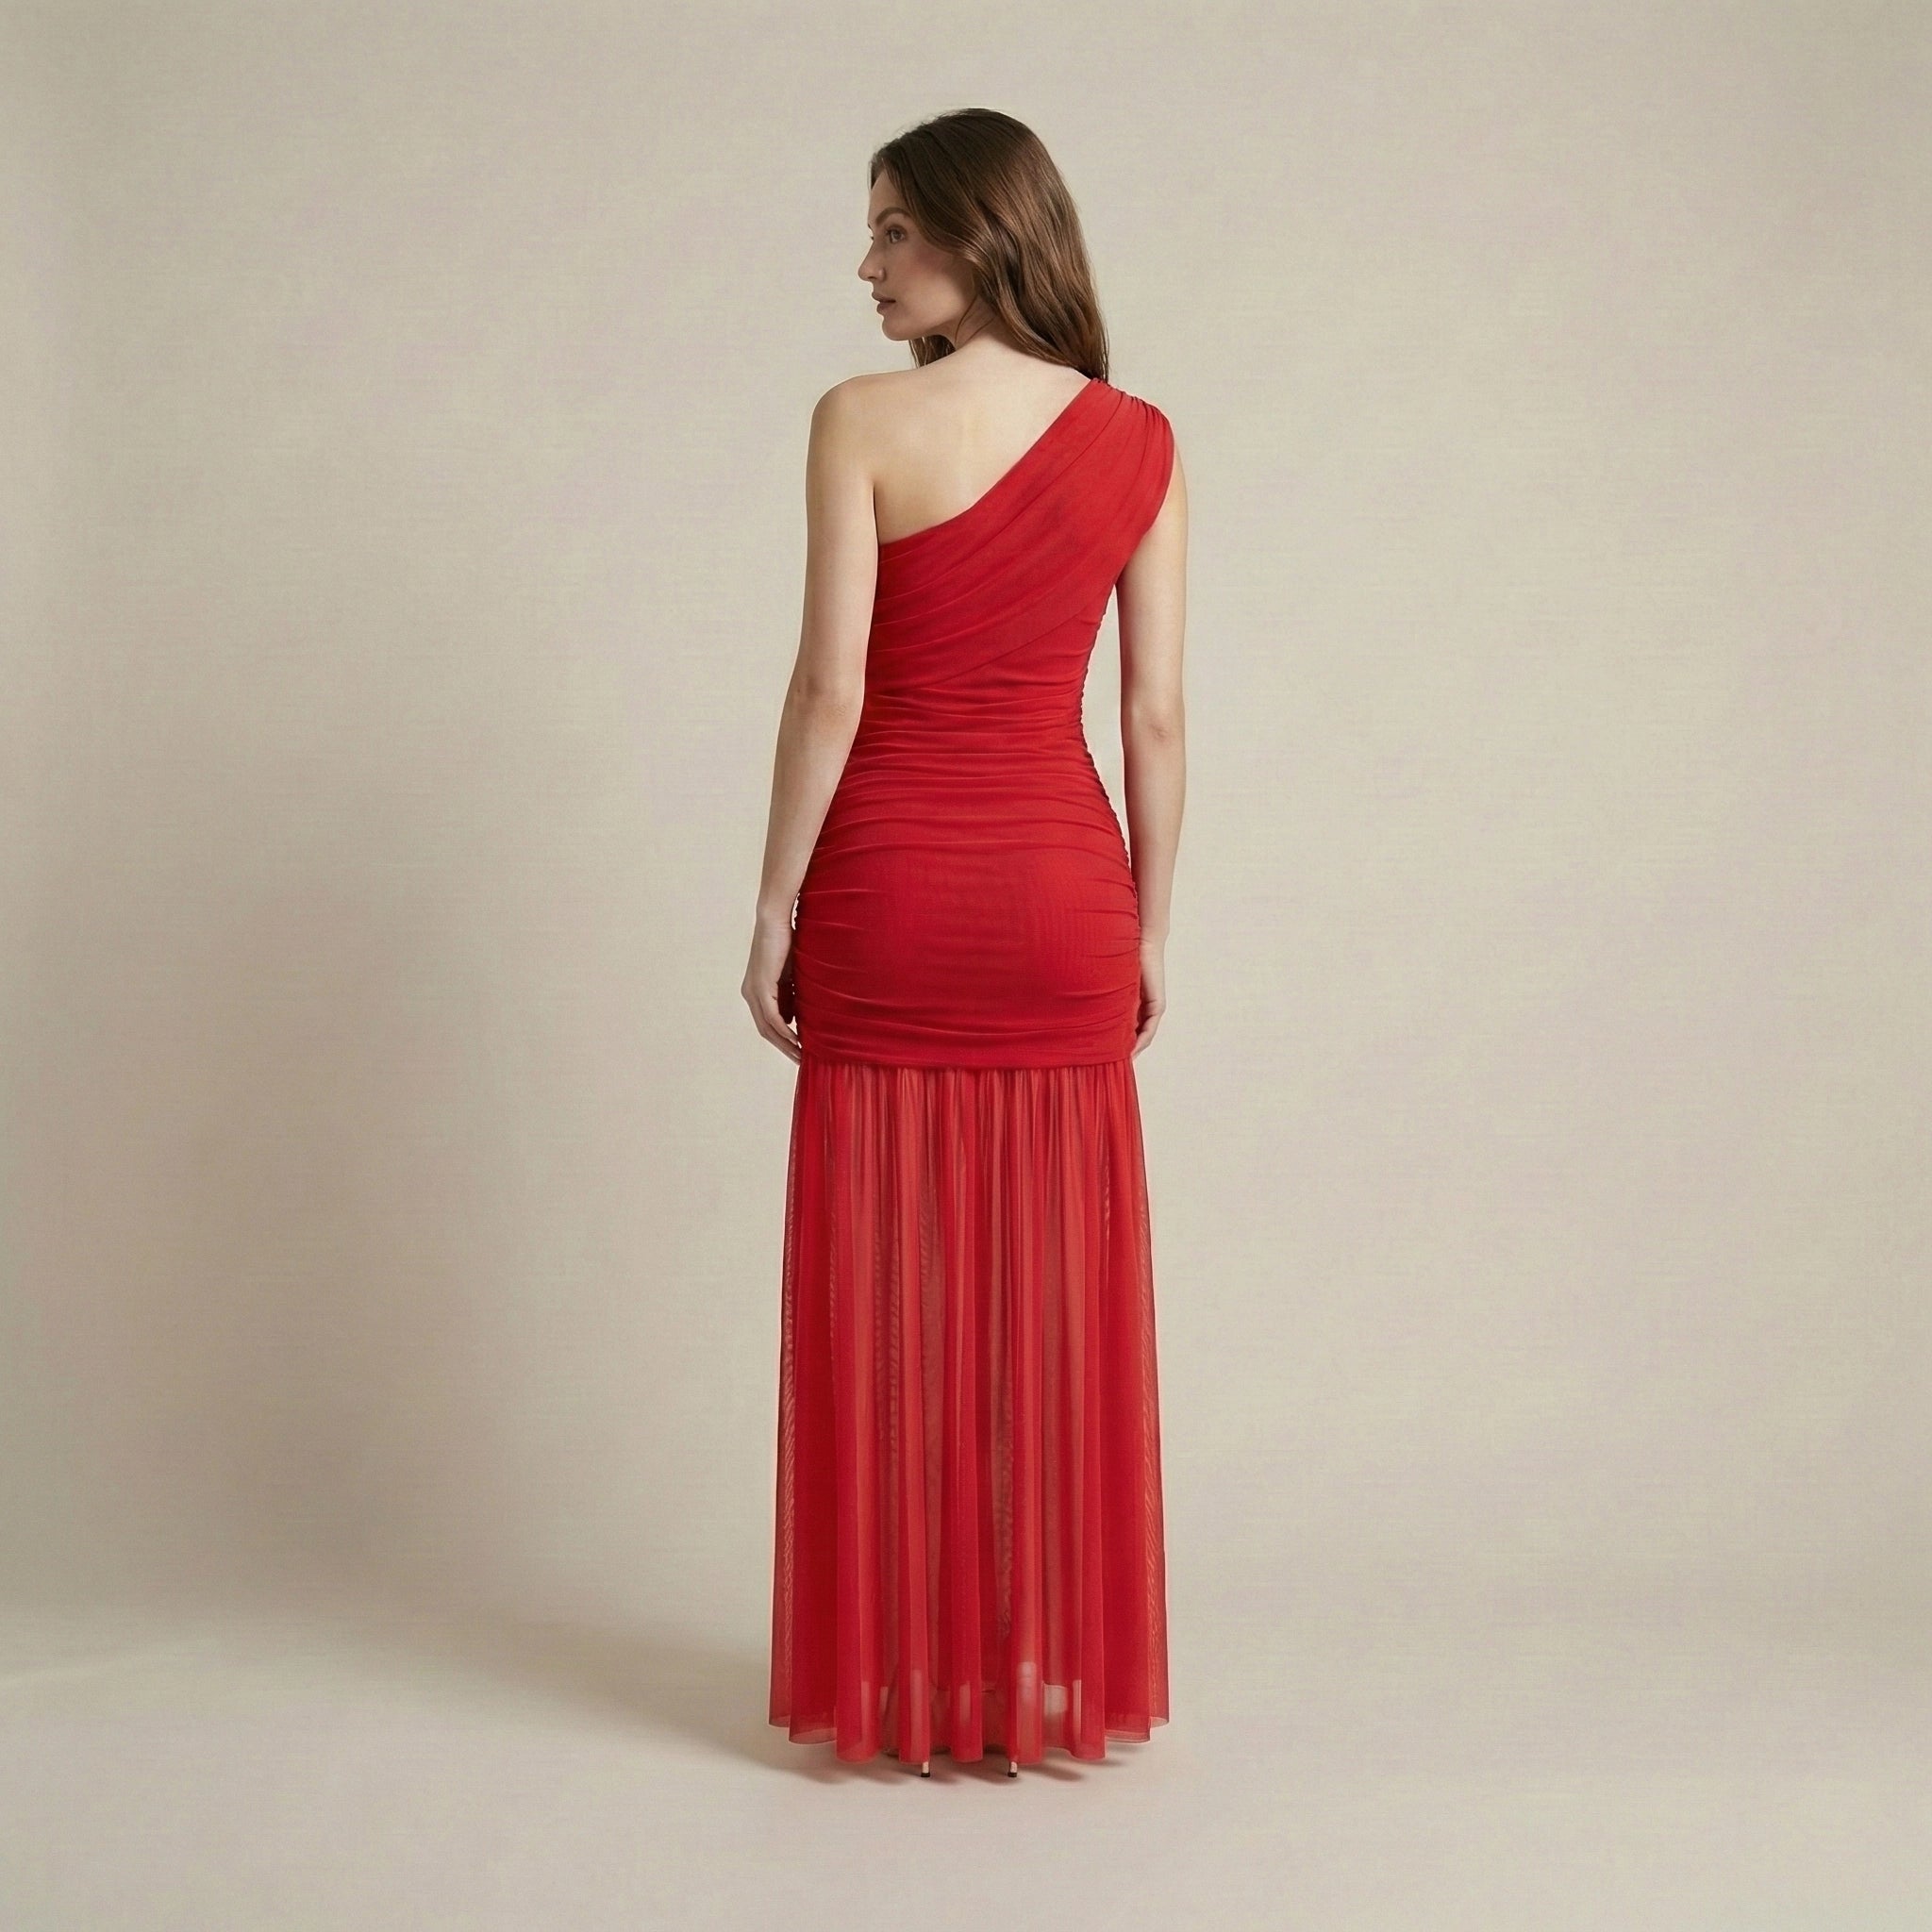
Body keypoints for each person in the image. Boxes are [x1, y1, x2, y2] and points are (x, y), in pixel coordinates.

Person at [743, 108, 1187, 1777]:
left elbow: (829, 692)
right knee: (1055, 1294)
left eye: (891, 233)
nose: (865, 268)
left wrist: (773, 903)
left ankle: (898, 1682)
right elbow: (1151, 717)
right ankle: (1037, 1680)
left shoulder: (862, 420)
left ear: (981, 235)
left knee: (884, 1292)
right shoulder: (1140, 439)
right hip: (1067, 891)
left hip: (892, 887)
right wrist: (1150, 927)